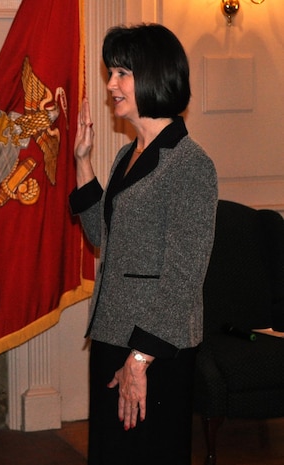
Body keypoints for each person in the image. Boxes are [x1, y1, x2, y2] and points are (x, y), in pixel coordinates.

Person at [70, 24, 218, 465]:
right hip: (113, 337)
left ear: (154, 76)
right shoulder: (125, 155)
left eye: (121, 73)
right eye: (110, 73)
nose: (111, 85)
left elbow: (183, 277)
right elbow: (106, 240)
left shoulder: (191, 165)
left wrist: (139, 360)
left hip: (155, 352)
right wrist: (82, 162)